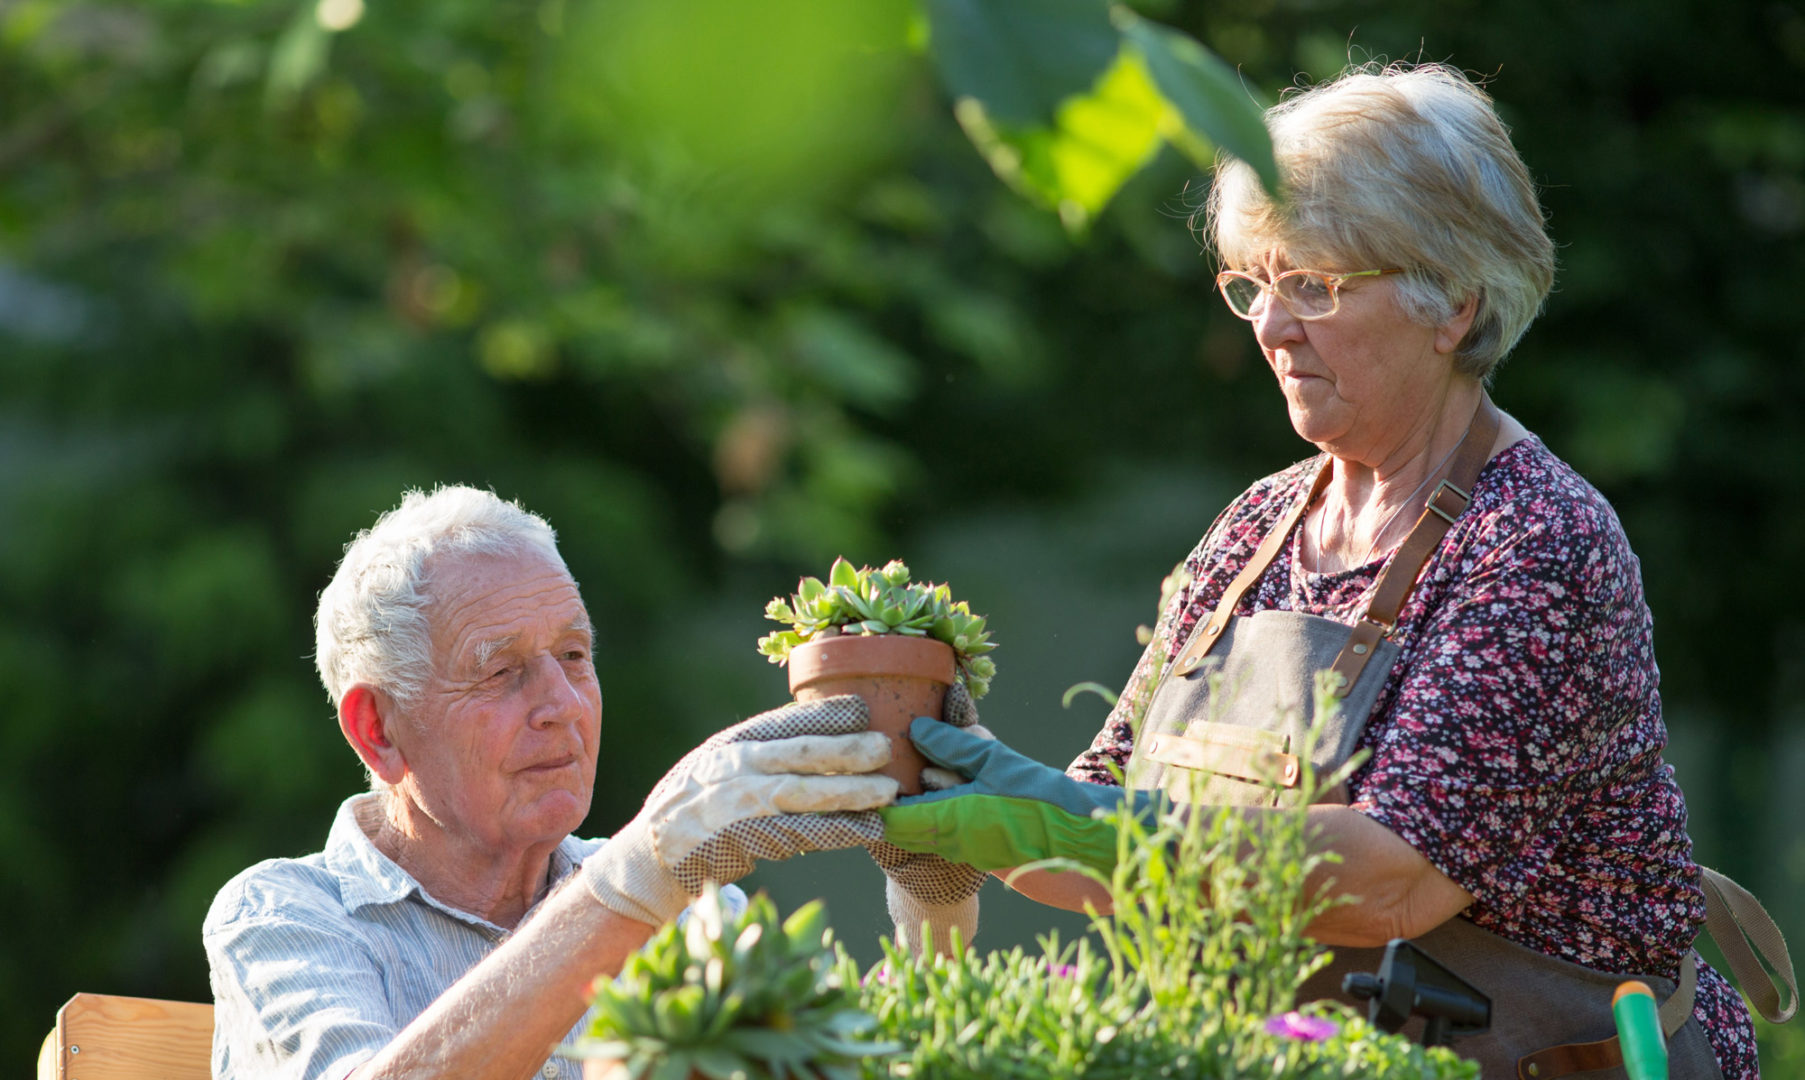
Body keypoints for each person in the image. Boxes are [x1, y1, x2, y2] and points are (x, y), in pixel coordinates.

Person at [878, 63, 1791, 1079]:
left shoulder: (1534, 541)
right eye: (1251, 284)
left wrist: (1064, 823)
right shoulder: (1256, 527)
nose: (1267, 328)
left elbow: (1389, 881)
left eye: (1309, 285)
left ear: (1450, 302)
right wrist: (937, 770)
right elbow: (1091, 836)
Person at [203, 485, 980, 1080]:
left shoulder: (692, 910)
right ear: (379, 729)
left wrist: (934, 908)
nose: (562, 707)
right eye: (502, 671)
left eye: (575, 657)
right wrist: (638, 874)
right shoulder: (280, 915)